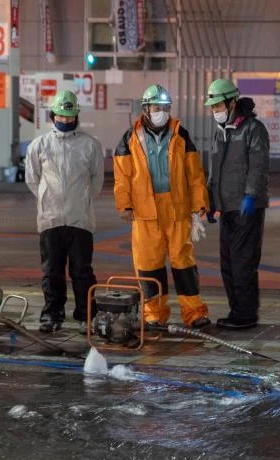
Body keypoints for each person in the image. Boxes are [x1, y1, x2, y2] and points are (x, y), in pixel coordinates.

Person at [113, 84, 212, 329]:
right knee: (148, 266)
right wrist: (124, 205)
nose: (162, 112)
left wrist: (199, 207)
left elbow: (195, 175)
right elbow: (122, 176)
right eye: (157, 107)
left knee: (184, 264)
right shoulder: (130, 138)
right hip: (145, 212)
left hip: (177, 210)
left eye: (166, 107)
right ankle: (153, 315)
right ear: (145, 109)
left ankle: (194, 313)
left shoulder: (181, 135)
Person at [24, 90, 104, 334]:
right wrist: (50, 199)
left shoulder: (90, 145)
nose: (66, 121)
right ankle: (52, 314)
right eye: (61, 116)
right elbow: (32, 179)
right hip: (51, 219)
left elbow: (97, 181)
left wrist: (78, 200)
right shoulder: (39, 145)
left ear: (76, 116)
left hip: (80, 219)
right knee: (52, 271)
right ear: (53, 115)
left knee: (82, 271)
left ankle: (86, 315)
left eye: (70, 117)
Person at [205, 78, 271, 330]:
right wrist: (212, 201)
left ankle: (245, 315)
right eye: (212, 107)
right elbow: (214, 171)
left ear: (232, 102)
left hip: (248, 207)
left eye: (218, 105)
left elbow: (258, 166)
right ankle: (237, 311)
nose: (215, 111)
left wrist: (251, 195)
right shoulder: (220, 132)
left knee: (243, 262)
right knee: (228, 263)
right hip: (228, 207)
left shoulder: (253, 129)